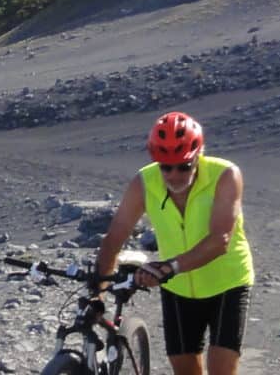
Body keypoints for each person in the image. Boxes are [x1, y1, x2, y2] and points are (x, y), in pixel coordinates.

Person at [94, 112, 253, 375]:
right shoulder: (144, 183)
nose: (174, 175)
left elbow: (220, 240)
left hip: (227, 282)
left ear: (199, 156)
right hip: (178, 288)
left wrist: (169, 267)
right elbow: (113, 240)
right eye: (165, 167)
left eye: (184, 166)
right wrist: (96, 296)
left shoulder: (225, 175)